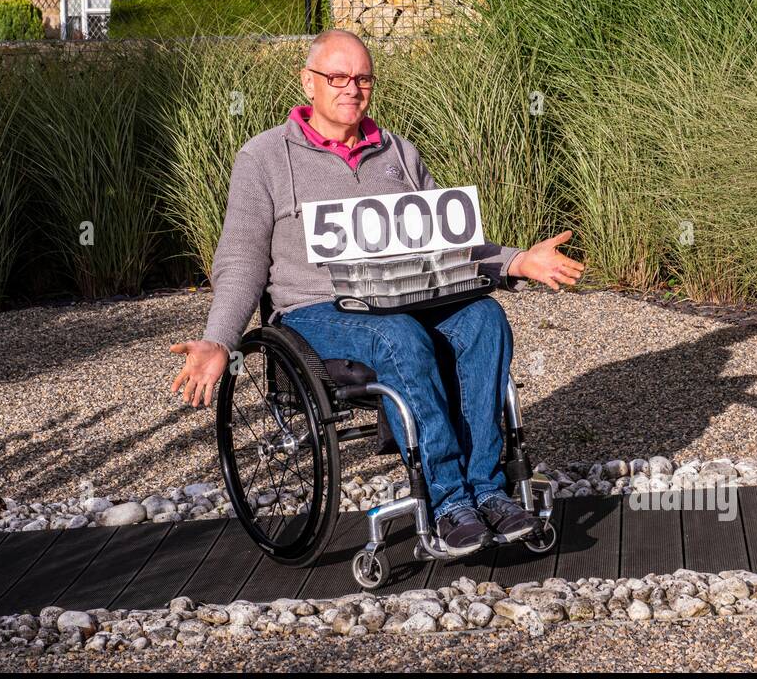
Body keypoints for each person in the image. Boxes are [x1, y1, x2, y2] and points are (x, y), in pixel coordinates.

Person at [170, 28, 584, 557]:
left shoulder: (397, 155)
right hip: (317, 311)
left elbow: (450, 241)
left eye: (362, 78)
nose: (351, 88)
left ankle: (488, 490)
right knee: (399, 337)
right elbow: (241, 261)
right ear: (308, 83)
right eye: (337, 77)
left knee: (484, 318)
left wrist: (518, 261)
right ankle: (449, 501)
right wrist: (219, 339)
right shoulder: (265, 158)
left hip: (404, 296)